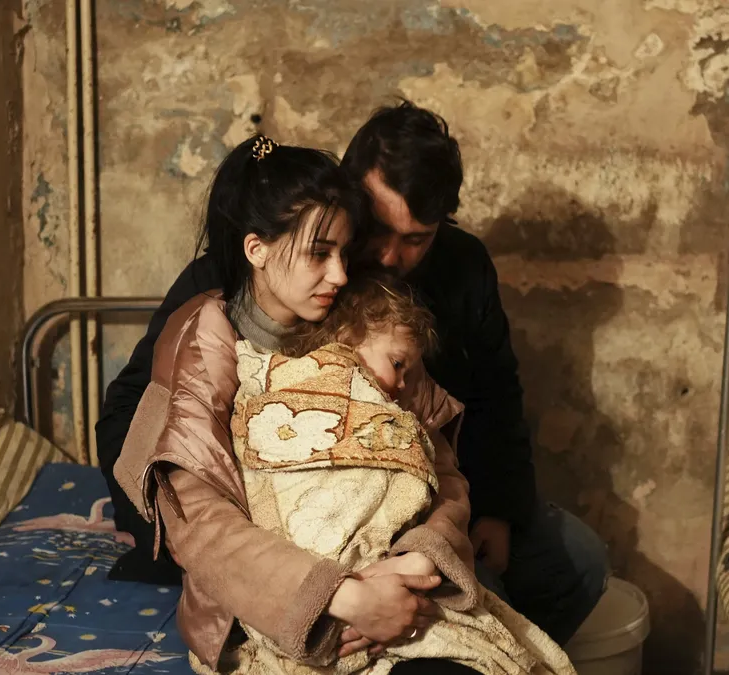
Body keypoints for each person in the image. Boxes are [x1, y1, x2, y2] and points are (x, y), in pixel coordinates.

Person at [98, 102, 609, 645]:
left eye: (416, 239)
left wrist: (491, 514)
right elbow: (139, 416)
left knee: (575, 563)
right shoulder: (230, 291)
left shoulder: (461, 268)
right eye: (378, 230)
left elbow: (486, 402)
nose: (387, 255)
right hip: (277, 517)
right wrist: (187, 540)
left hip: (420, 494)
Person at [111, 135, 483, 675]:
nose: (340, 274)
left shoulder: (369, 320)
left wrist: (417, 563)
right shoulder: (205, 337)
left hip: (397, 584)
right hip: (276, 608)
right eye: (318, 253)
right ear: (256, 249)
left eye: (344, 252)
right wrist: (344, 597)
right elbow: (198, 522)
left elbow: (441, 468)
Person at [222, 272, 572, 675]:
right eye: (397, 364)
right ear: (347, 337)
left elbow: (437, 483)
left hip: (396, 571)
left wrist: (419, 559)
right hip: (309, 583)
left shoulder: (402, 412)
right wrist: (345, 594)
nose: (404, 385)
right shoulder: (283, 380)